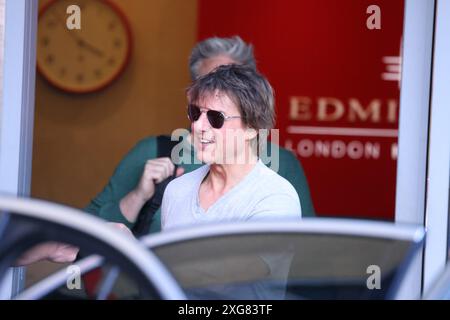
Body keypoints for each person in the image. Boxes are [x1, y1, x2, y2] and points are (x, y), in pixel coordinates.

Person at [85, 36, 314, 235]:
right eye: (211, 83)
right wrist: (137, 196)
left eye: (232, 84)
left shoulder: (279, 171)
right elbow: (83, 233)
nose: (218, 91)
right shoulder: (157, 154)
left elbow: (304, 252)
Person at [162, 64, 299, 299]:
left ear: (252, 128)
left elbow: (222, 281)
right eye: (195, 113)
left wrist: (134, 251)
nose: (198, 126)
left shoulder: (276, 197)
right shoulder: (177, 190)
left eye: (216, 118)